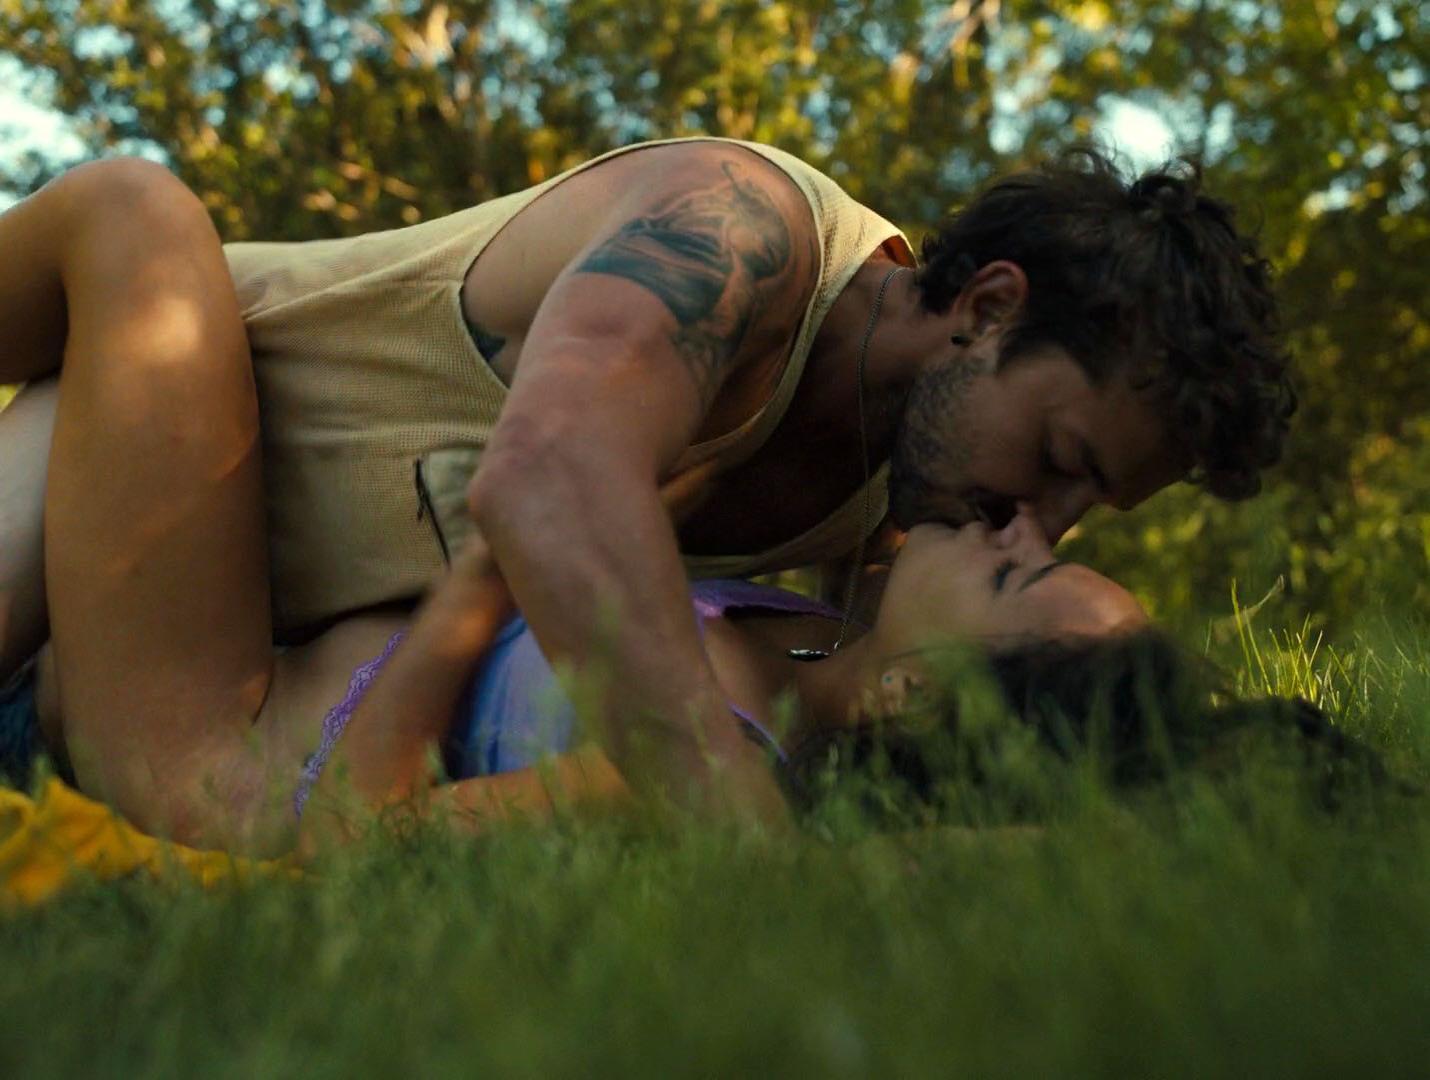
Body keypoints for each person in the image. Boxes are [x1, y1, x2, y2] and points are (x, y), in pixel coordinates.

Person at [0, 143, 1295, 819]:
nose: (1041, 526)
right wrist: (744, 845)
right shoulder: (740, 231)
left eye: (1084, 513)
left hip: (160, 637)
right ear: (990, 309)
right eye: (1061, 464)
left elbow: (962, 729)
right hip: (128, 420)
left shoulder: (901, 497)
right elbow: (546, 481)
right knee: (137, 211)